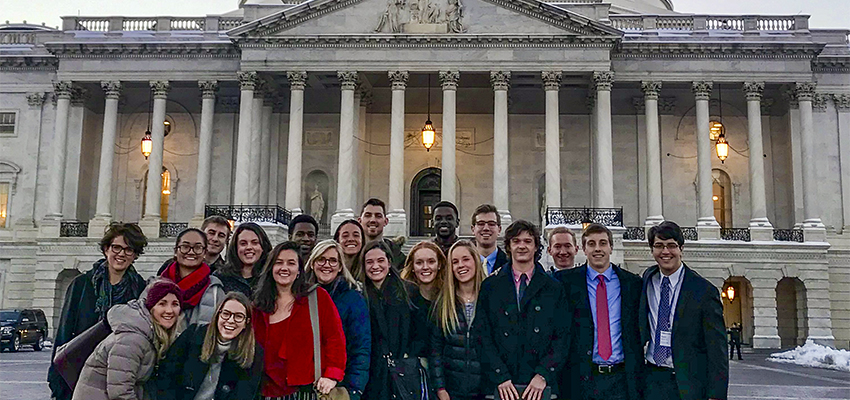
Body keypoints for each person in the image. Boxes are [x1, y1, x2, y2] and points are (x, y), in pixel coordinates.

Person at [49, 222, 148, 400]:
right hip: (81, 372)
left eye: (129, 249)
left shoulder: (140, 289)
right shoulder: (82, 284)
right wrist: (57, 377)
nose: (121, 254)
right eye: (116, 247)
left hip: (119, 373)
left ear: (135, 255)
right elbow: (64, 332)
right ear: (106, 249)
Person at [473, 220, 569, 400]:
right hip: (501, 385)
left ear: (536, 247)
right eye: (516, 241)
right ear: (508, 246)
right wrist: (500, 376)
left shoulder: (554, 288)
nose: (522, 246)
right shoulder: (491, 286)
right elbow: (481, 335)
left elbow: (562, 337)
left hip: (540, 386)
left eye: (527, 241)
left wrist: (543, 374)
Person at [640, 221, 728, 400]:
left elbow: (716, 348)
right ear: (652, 250)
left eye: (671, 245)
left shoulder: (703, 291)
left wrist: (716, 394)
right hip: (652, 379)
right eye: (659, 246)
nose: (665, 252)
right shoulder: (646, 281)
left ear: (681, 249)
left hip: (688, 384)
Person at [555, 223, 642, 400]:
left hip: (621, 379)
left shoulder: (632, 284)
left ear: (611, 247)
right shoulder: (565, 283)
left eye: (602, 243)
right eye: (591, 244)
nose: (597, 249)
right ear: (584, 249)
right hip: (581, 379)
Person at [253, 241, 347, 399]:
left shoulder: (317, 297)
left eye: (291, 263)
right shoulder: (258, 305)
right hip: (265, 391)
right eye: (279, 263)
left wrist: (332, 375)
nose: (284, 268)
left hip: (305, 390)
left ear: (298, 270)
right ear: (271, 268)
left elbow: (334, 338)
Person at [72, 278, 183, 400]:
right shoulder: (133, 339)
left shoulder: (152, 334)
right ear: (151, 307)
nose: (169, 310)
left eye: (175, 304)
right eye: (162, 303)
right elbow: (120, 392)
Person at [156, 292, 264, 400]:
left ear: (246, 322)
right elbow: (166, 378)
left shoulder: (253, 353)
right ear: (217, 315)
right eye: (226, 314)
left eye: (239, 316)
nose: (231, 321)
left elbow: (244, 395)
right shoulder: (192, 335)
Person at [360, 240, 430, 400]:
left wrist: (406, 356)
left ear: (389, 262)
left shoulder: (409, 291)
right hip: (372, 375)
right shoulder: (360, 294)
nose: (375, 266)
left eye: (380, 261)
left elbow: (421, 333)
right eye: (369, 262)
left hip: (403, 372)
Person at [304, 240, 371, 400]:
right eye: (321, 259)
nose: (327, 265)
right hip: (303, 384)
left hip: (339, 385)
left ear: (340, 266)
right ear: (312, 263)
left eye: (333, 260)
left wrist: (354, 390)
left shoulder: (353, 298)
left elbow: (360, 347)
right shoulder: (299, 295)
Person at [430, 240, 487, 400]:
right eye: (455, 262)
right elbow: (435, 351)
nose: (460, 265)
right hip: (451, 392)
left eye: (466, 259)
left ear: (476, 261)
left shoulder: (491, 299)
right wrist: (440, 389)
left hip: (484, 391)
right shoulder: (443, 303)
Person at [160, 228, 225, 327]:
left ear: (204, 253)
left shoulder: (216, 290)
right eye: (185, 246)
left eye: (198, 247)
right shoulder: (156, 285)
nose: (191, 252)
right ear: (175, 251)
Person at [216, 222, 272, 297]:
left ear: (263, 247)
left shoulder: (271, 277)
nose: (249, 247)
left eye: (254, 243)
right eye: (243, 243)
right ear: (236, 248)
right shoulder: (221, 277)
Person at [358, 198, 406, 270]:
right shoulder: (353, 252)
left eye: (378, 216)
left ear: (386, 221)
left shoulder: (397, 256)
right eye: (368, 215)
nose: (373, 220)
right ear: (359, 221)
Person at [471, 204, 508, 275]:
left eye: (491, 224)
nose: (486, 228)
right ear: (473, 229)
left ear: (499, 229)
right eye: (481, 224)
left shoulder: (510, 265)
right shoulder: (464, 264)